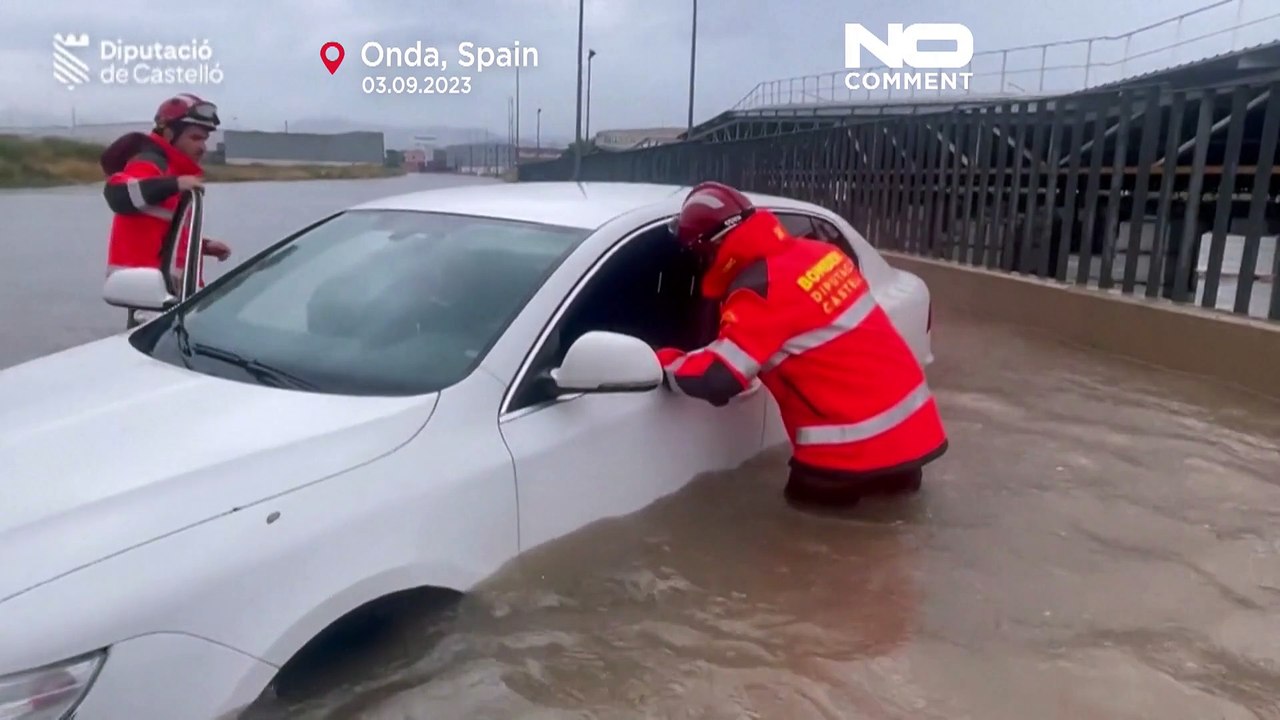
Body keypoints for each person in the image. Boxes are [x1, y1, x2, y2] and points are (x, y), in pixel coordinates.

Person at [654, 181, 948, 508]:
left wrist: (660, 362)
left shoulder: (759, 289)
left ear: (711, 248)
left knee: (800, 546)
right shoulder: (823, 254)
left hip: (847, 456)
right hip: (914, 437)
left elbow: (719, 377)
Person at [101, 93, 231, 309]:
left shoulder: (172, 172)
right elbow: (117, 195)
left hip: (172, 297)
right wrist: (175, 184)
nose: (203, 147)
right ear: (169, 134)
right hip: (147, 301)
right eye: (195, 138)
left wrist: (202, 246)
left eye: (204, 140)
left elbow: (163, 236)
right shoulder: (150, 164)